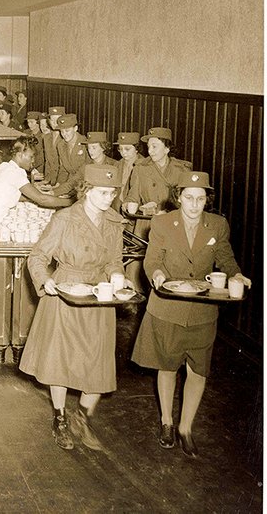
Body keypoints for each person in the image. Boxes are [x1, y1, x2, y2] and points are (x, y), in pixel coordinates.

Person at [131, 171, 251, 458]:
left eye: (200, 199)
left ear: (206, 200)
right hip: (168, 307)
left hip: (202, 311)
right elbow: (152, 260)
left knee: (198, 370)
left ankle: (186, 428)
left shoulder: (217, 225)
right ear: (178, 197)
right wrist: (157, 273)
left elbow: (224, 255)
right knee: (168, 365)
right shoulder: (161, 223)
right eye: (188, 198)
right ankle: (166, 423)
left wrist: (236, 274)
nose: (194, 205)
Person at [20, 164, 128, 451]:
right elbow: (38, 256)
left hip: (99, 294)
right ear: (88, 190)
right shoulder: (65, 218)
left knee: (98, 359)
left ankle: (82, 416)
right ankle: (60, 419)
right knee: (61, 361)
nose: (109, 198)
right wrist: (46, 281)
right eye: (104, 193)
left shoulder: (114, 222)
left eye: (112, 193)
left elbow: (114, 259)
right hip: (66, 291)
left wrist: (117, 274)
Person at [0, 136, 72, 225]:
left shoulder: (5, 166)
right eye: (31, 157)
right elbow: (42, 199)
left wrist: (34, 196)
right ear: (19, 155)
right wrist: (71, 202)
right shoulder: (15, 173)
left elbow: (12, 195)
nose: (33, 161)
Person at [124, 127, 192, 221]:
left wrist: (163, 209)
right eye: (148, 147)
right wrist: (128, 205)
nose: (149, 151)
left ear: (167, 149)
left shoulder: (182, 170)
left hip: (173, 221)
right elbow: (132, 197)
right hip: (147, 223)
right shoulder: (140, 168)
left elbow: (189, 202)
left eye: (154, 146)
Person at [51, 113, 88, 197]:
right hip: (70, 185)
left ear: (75, 128)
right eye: (61, 131)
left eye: (67, 131)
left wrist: (62, 191)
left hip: (85, 187)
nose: (64, 134)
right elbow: (63, 169)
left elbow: (81, 174)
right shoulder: (60, 145)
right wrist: (58, 184)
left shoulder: (85, 143)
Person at [114, 132, 145, 207]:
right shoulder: (116, 165)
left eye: (127, 149)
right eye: (120, 149)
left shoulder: (144, 166)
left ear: (137, 148)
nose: (123, 152)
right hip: (117, 208)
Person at [43, 106, 65, 185]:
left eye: (58, 119)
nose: (55, 122)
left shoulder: (66, 138)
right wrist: (46, 180)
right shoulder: (46, 137)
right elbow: (48, 162)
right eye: (52, 119)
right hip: (51, 181)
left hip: (63, 182)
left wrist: (58, 184)